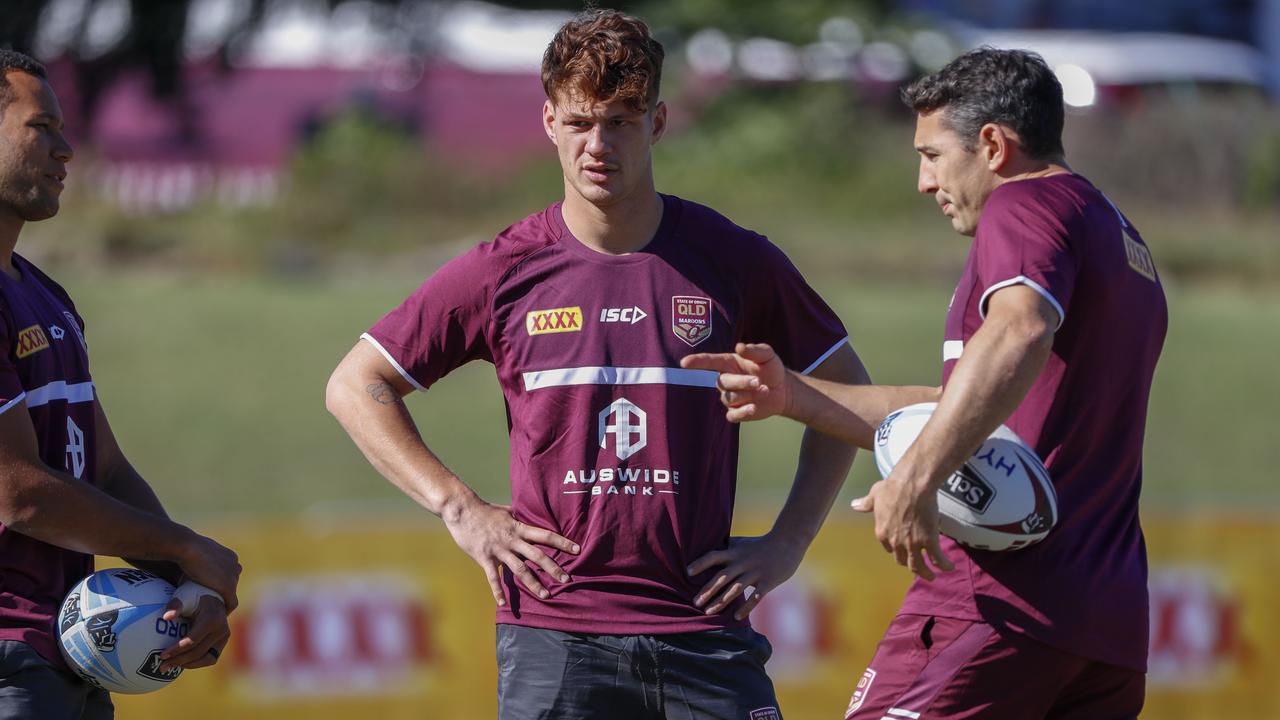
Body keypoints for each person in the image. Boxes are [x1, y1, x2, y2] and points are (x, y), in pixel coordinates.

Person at [326, 9, 869, 719]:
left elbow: (848, 394)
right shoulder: (504, 270)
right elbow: (355, 384)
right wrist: (459, 507)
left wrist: (789, 541)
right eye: (581, 122)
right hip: (554, 639)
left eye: (620, 121)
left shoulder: (734, 260)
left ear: (659, 123)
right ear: (549, 121)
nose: (598, 145)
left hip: (702, 630)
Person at [684, 48, 1167, 719]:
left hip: (1001, 605)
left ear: (993, 145)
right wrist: (794, 395)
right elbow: (967, 407)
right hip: (1107, 625)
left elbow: (1020, 331)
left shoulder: (1024, 205)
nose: (922, 180)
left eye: (933, 154)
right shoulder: (1116, 234)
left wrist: (914, 480)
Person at [0, 49, 242, 718]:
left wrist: (186, 582)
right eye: (40, 127)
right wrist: (184, 548)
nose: (65, 148)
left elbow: (101, 467)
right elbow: (19, 495)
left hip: (65, 658)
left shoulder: (45, 296)